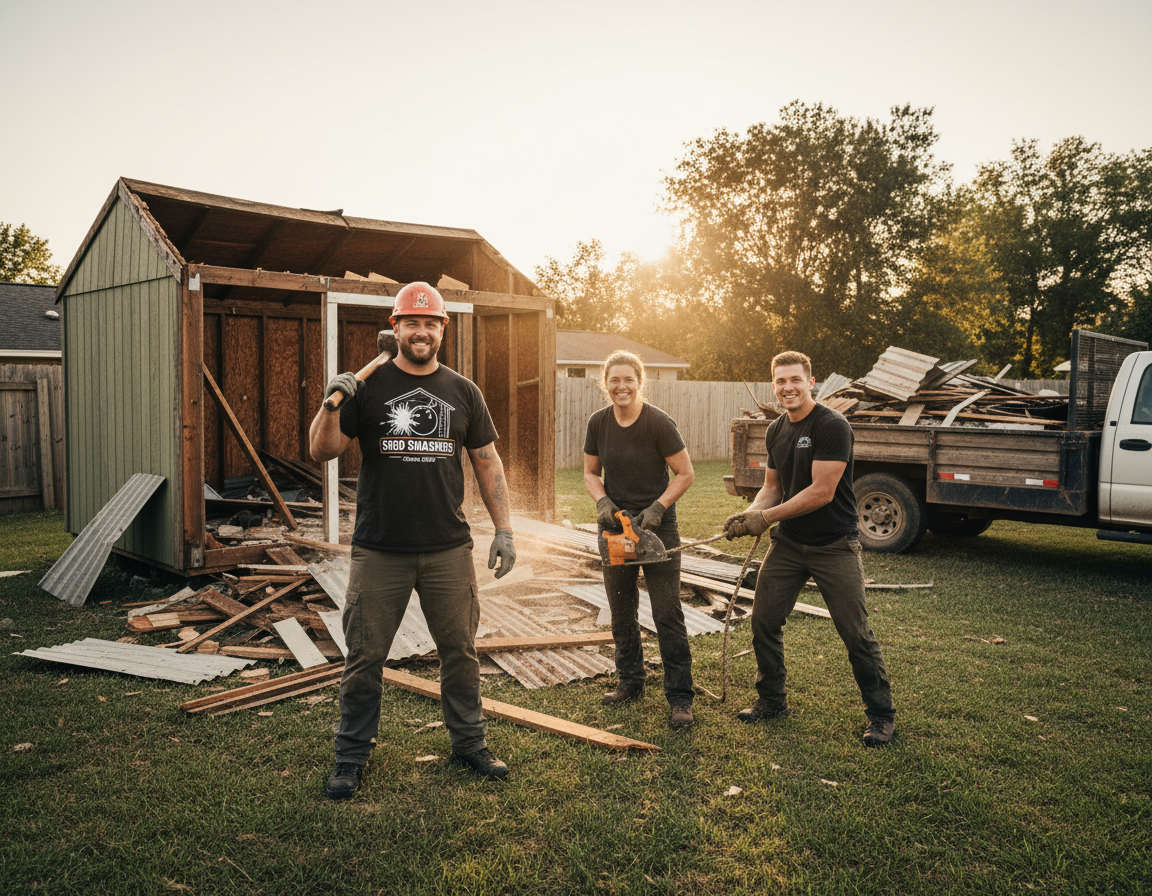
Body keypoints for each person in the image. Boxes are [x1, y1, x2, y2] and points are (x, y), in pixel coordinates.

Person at [309, 281, 517, 799]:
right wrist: (331, 405)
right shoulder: (368, 387)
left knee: (460, 652)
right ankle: (350, 757)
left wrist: (505, 528)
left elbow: (487, 462)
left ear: (441, 329)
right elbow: (322, 450)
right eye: (411, 322)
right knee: (364, 654)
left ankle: (469, 745)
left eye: (431, 323)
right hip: (380, 547)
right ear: (395, 328)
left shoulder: (463, 391)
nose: (421, 331)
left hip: (448, 546)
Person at [723, 350, 895, 747]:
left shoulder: (832, 426)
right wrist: (748, 514)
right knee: (764, 620)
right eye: (781, 381)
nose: (788, 388)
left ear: (811, 382)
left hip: (834, 544)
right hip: (789, 544)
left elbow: (821, 491)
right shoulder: (775, 430)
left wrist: (765, 519)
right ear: (773, 386)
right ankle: (772, 701)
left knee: (855, 633)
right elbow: (772, 488)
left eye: (795, 380)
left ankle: (881, 715)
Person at [583, 351, 697, 727]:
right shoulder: (598, 423)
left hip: (656, 528)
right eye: (614, 380)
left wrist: (658, 509)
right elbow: (589, 472)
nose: (621, 386)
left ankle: (680, 698)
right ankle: (630, 682)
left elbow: (684, 473)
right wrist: (602, 501)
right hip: (617, 526)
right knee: (621, 609)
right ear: (605, 383)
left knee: (667, 612)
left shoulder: (658, 422)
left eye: (628, 379)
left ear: (639, 381)